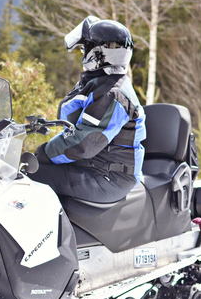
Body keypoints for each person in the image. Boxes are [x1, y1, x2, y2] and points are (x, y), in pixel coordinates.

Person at [29, 16, 146, 203]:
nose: (83, 54)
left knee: (31, 178)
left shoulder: (113, 93)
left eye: (86, 48)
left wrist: (44, 153)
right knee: (31, 173)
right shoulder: (102, 82)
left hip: (111, 177)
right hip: (97, 167)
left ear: (99, 53)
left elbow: (85, 142)